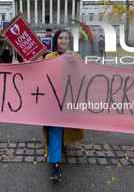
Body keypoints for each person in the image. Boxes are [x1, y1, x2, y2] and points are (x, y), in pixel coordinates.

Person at [43, 29, 85, 181]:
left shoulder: (77, 57)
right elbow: (43, 75)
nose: (63, 41)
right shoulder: (49, 57)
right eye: (61, 38)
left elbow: (81, 76)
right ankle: (56, 166)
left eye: (66, 38)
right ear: (56, 41)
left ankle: (63, 144)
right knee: (55, 130)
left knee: (65, 129)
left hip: (69, 98)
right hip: (53, 100)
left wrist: (72, 62)